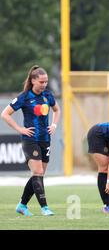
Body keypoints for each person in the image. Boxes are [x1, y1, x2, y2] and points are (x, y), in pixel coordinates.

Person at [1, 65, 60, 217]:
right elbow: (5, 114)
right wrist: (20, 129)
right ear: (33, 80)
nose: (44, 84)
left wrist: (54, 124)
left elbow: (57, 110)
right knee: (38, 172)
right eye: (41, 81)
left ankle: (22, 205)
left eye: (46, 81)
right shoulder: (24, 97)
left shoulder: (48, 95)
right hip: (30, 139)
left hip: (45, 139)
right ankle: (45, 207)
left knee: (38, 174)